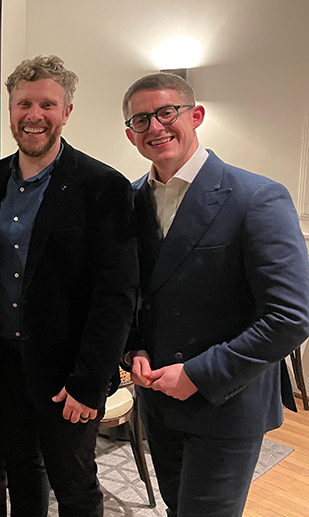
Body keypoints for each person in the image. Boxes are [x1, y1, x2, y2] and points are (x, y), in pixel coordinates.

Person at [122, 72, 309, 517]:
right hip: (157, 396)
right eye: (141, 120)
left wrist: (199, 376)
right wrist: (135, 348)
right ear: (130, 135)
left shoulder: (257, 197)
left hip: (225, 400)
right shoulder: (128, 200)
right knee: (175, 507)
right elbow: (131, 293)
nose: (156, 127)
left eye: (167, 113)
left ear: (196, 115)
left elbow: (290, 317)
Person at [0, 55, 137, 517]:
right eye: (24, 104)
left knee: (75, 486)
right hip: (5, 365)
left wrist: (89, 384)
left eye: (47, 104)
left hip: (68, 375)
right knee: (21, 472)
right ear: (9, 111)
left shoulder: (102, 185)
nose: (34, 116)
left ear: (66, 112)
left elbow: (116, 294)